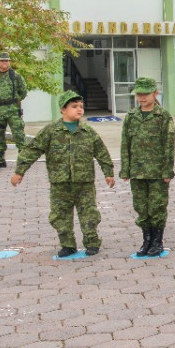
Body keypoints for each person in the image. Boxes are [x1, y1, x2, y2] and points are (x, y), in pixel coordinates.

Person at [10, 91, 115, 258]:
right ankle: (67, 245)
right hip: (60, 183)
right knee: (60, 215)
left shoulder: (88, 132)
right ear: (63, 109)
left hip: (84, 183)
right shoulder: (51, 131)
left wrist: (108, 173)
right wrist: (19, 171)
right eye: (74, 106)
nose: (79, 109)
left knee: (89, 214)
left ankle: (92, 242)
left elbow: (102, 153)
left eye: (81, 106)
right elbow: (32, 150)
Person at [119, 77, 175, 258]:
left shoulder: (163, 116)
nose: (142, 98)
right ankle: (147, 240)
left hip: (157, 172)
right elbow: (125, 144)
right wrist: (125, 169)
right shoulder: (131, 117)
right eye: (139, 94)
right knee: (141, 207)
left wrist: (167, 170)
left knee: (157, 207)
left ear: (155, 93)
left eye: (146, 94)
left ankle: (157, 241)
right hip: (137, 171)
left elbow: (169, 145)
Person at [0, 51, 27, 170]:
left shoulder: (15, 76)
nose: (5, 63)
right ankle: (0, 160)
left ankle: (23, 160)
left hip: (13, 110)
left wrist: (14, 101)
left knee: (18, 135)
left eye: (7, 60)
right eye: (2, 60)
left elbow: (23, 91)